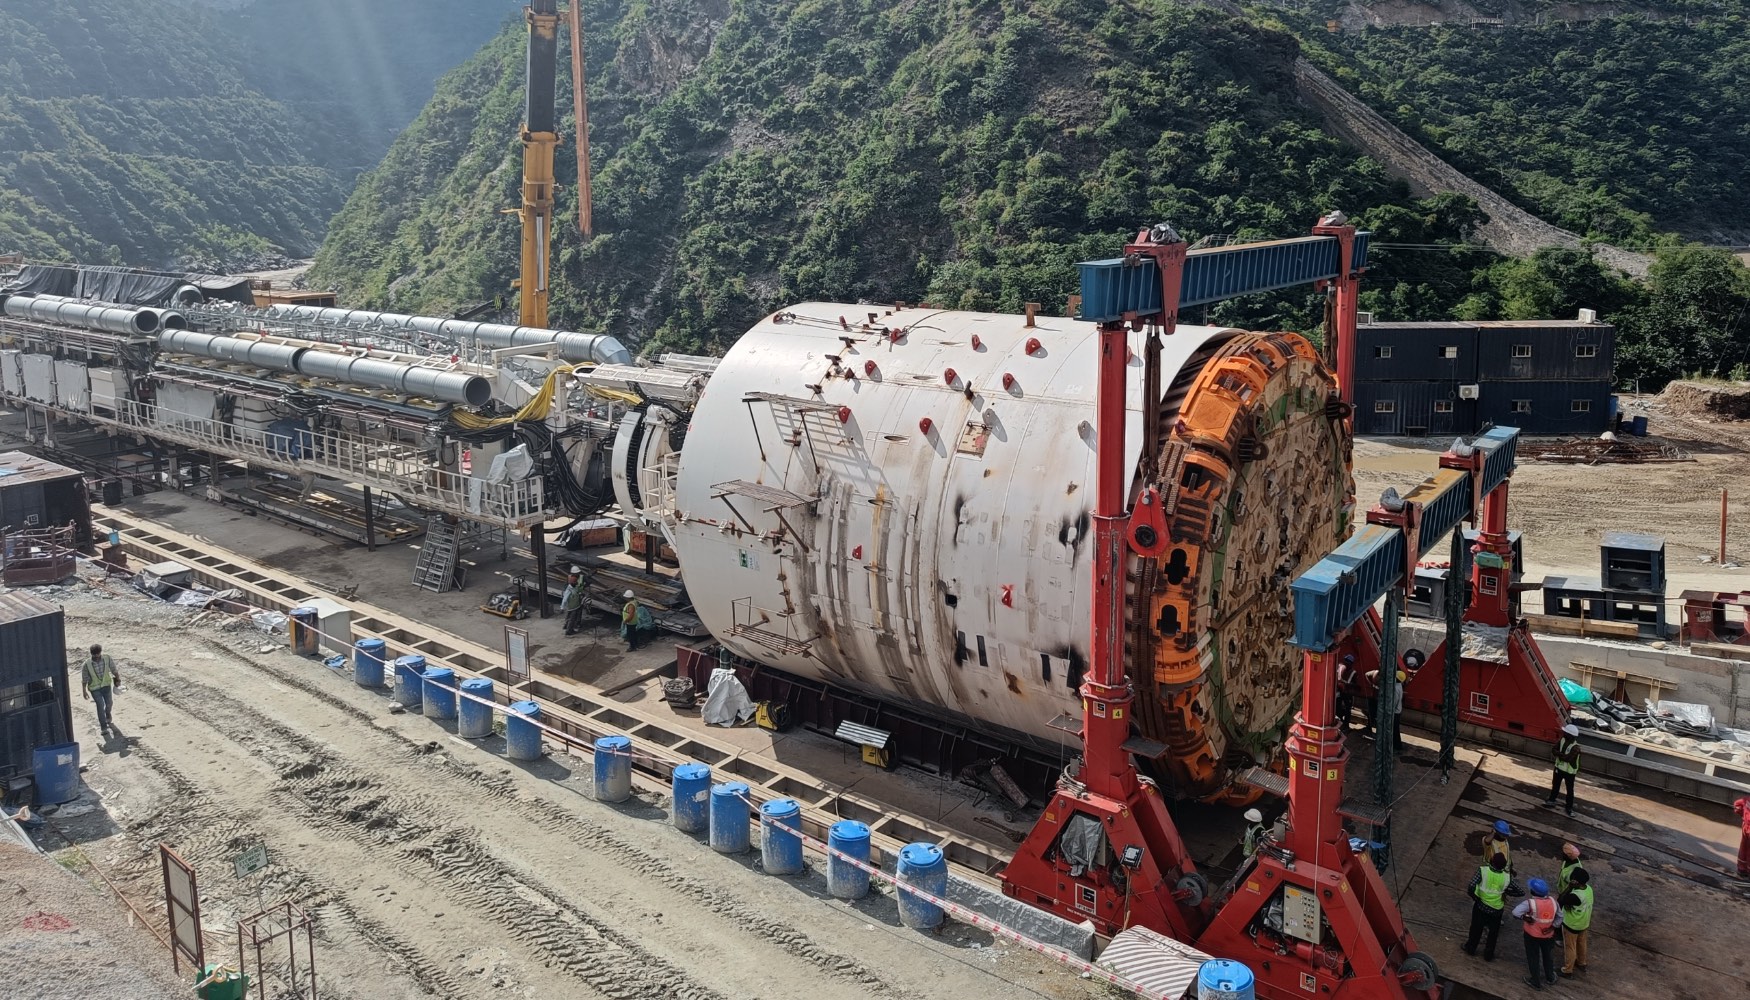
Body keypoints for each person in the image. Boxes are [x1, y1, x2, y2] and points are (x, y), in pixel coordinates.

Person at [1462, 853, 1516, 961]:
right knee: (1493, 933)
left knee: (1476, 929)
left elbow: (1472, 885)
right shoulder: (1506, 877)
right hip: (1497, 910)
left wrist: (1474, 896)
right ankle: (1488, 955)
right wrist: (1506, 892)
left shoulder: (1483, 871)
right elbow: (1519, 891)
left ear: (1492, 861)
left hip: (1481, 906)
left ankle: (1471, 948)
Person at [1513, 877, 1562, 989]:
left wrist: (1525, 917)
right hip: (1548, 936)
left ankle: (1535, 981)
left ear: (1532, 892)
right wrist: (1552, 927)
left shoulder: (1530, 903)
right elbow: (1560, 917)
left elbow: (1515, 912)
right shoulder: (1554, 902)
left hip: (1532, 936)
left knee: (1533, 957)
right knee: (1548, 956)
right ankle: (1550, 977)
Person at [1559, 867, 1594, 977]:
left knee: (1570, 947)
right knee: (1581, 943)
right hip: (1584, 922)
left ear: (1575, 881)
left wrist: (1569, 887)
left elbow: (1560, 900)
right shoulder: (1589, 889)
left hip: (1572, 924)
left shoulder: (1575, 896)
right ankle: (1581, 962)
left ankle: (1568, 969)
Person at [82, 643, 122, 737]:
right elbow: (84, 678)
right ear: (91, 654)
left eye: (98, 654)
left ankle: (107, 714)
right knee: (100, 705)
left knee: (109, 703)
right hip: (94, 688)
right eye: (94, 654)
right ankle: (103, 727)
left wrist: (117, 679)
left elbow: (114, 669)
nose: (96, 656)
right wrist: (84, 691)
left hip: (106, 685)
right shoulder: (86, 664)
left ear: (100, 652)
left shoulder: (107, 658)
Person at [1544, 722, 1582, 815]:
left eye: (1565, 733)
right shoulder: (1562, 740)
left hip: (1569, 772)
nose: (1563, 733)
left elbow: (1567, 759)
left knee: (1569, 790)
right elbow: (1554, 750)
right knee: (1555, 785)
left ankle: (1569, 808)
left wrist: (1559, 754)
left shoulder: (1576, 748)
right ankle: (1551, 800)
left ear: (1570, 735)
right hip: (1559, 768)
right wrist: (1561, 755)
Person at [1335, 655, 1357, 729]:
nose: (1346, 664)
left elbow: (1354, 684)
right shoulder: (1341, 668)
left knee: (1348, 708)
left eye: (1348, 663)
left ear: (1351, 664)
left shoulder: (1353, 673)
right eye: (1346, 662)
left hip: (1348, 693)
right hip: (1340, 691)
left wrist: (1347, 684)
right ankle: (1339, 720)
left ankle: (1346, 725)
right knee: (1337, 705)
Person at [1732, 797, 1750, 879]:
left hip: (1746, 826)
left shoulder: (1747, 799)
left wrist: (1743, 815)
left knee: (1744, 847)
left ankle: (1742, 869)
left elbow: (1737, 804)